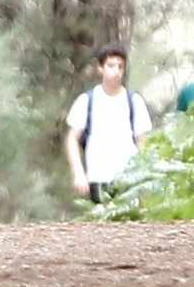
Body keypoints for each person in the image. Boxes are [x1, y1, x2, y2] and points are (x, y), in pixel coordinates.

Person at [64, 43, 152, 204]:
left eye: (120, 67)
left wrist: (144, 177)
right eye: (111, 66)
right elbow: (72, 139)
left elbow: (142, 143)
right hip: (98, 177)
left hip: (129, 181)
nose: (116, 72)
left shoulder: (134, 101)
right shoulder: (86, 101)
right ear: (100, 68)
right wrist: (78, 173)